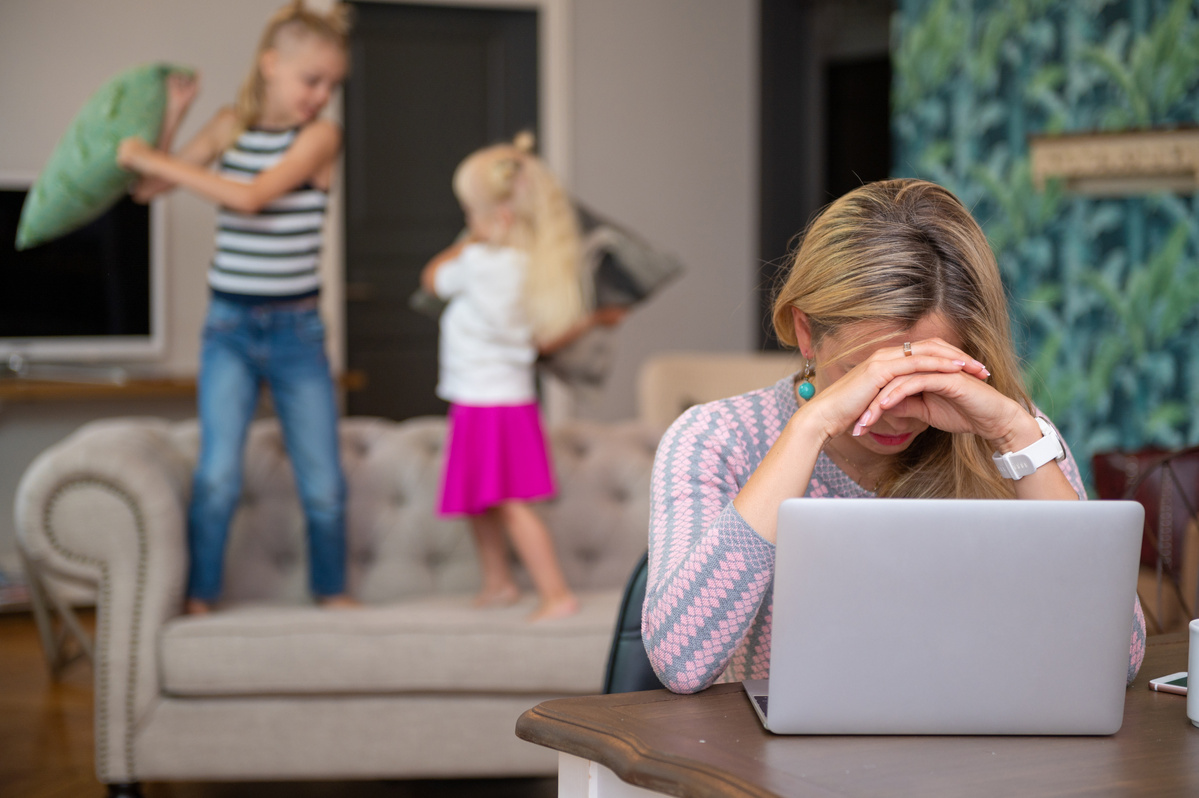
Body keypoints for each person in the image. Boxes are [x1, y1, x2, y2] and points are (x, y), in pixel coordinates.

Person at [641, 178, 1146, 694]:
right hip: (781, 764)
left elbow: (1118, 657)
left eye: (923, 380)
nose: (894, 413)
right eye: (866, 377)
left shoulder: (1016, 437)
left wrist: (1015, 433)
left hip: (981, 749)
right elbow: (682, 662)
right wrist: (811, 426)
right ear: (807, 333)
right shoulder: (716, 439)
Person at [116, 0, 355, 614]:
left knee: (323, 484)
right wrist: (174, 119)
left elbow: (250, 198)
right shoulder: (228, 126)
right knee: (217, 474)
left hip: (297, 331)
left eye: (332, 84)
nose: (321, 94)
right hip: (228, 326)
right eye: (312, 80)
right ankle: (200, 597)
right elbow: (149, 189)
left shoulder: (321, 136)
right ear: (271, 65)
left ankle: (332, 593)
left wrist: (148, 155)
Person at [421, 134, 612, 621]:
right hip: (506, 400)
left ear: (497, 219)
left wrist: (466, 241)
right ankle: (499, 583)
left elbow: (431, 279)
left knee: (505, 503)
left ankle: (555, 594)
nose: (466, 224)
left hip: (485, 403)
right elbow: (540, 344)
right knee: (481, 501)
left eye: (471, 214)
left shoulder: (476, 263)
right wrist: (593, 321)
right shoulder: (534, 270)